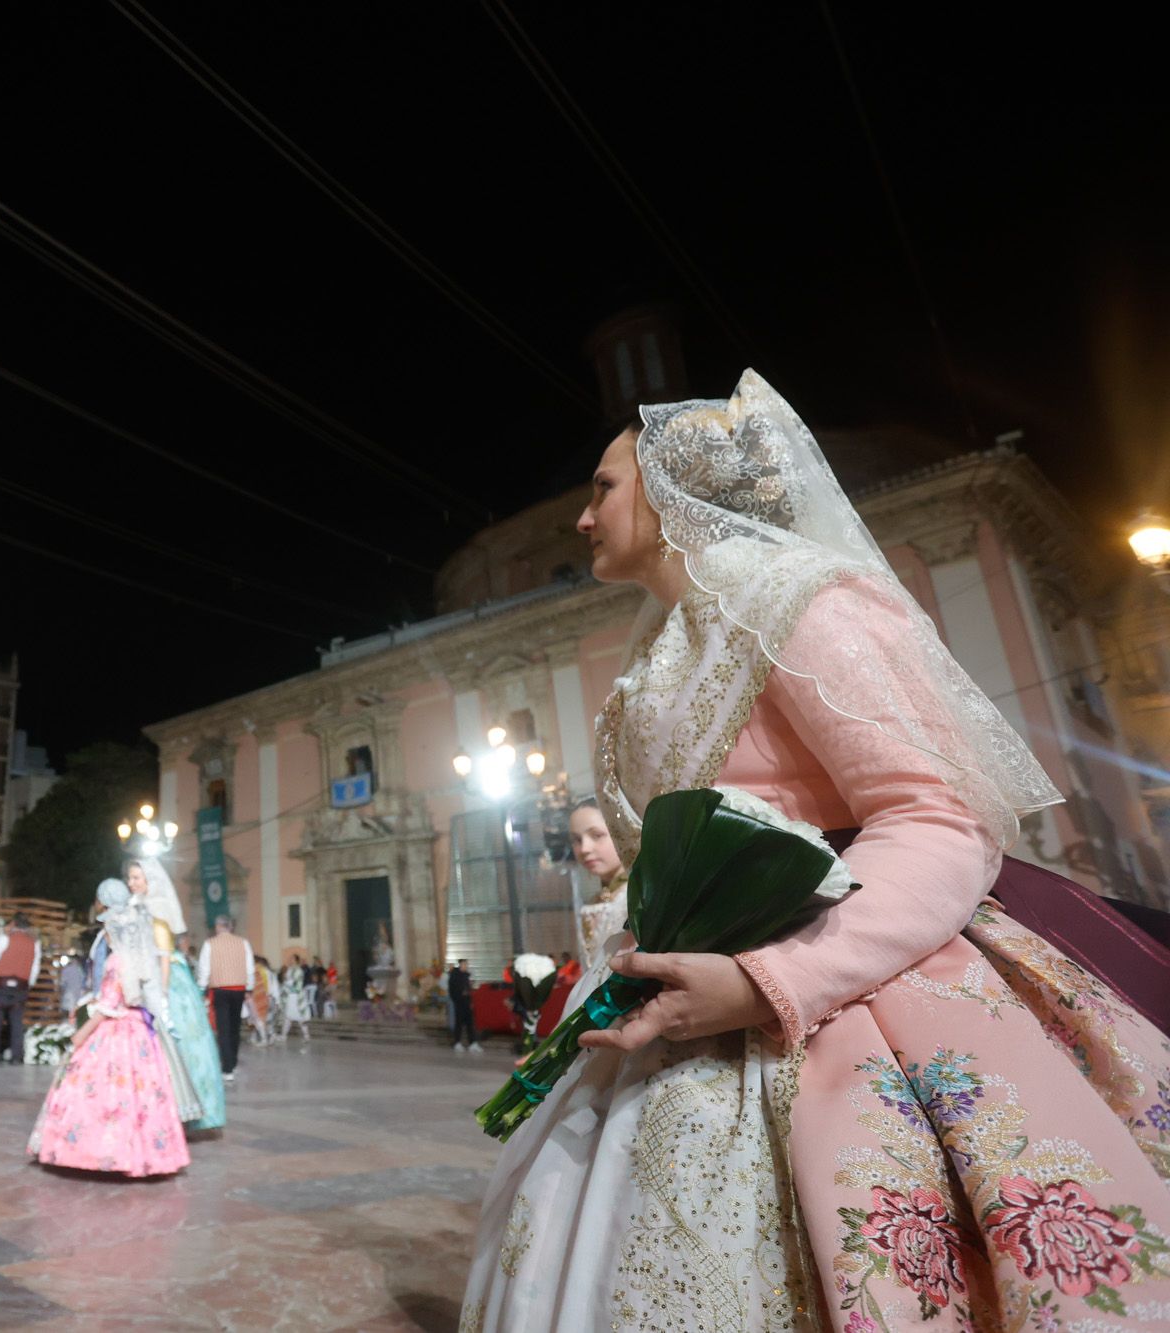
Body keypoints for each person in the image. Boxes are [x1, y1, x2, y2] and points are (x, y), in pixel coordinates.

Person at [461, 372, 1170, 1330]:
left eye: (603, 488)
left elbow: (939, 815)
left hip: (841, 982)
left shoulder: (803, 599)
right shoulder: (661, 651)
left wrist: (767, 979)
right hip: (677, 1007)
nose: (583, 519)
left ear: (678, 491)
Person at [27, 880, 189, 1177]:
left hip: (114, 1030)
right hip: (138, 1030)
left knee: (98, 1092)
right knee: (140, 1097)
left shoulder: (116, 960)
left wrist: (82, 1033)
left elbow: (108, 1005)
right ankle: (145, 1154)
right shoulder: (140, 959)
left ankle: (99, 1153)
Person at [130, 859, 226, 1129]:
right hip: (147, 975)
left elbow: (162, 955)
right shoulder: (137, 906)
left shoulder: (156, 909)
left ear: (150, 881)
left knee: (174, 1043)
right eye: (131, 878)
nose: (132, 883)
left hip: (165, 981)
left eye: (137, 877)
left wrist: (160, 995)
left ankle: (179, 1107)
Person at [567, 796, 630, 962]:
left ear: (622, 833)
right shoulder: (593, 901)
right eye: (576, 840)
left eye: (596, 835)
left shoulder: (637, 897)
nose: (584, 849)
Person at [0, 912, 40, 1064]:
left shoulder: (5, 939)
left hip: (1, 984)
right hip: (21, 986)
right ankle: (16, 1057)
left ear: (14, 924)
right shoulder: (34, 943)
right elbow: (35, 966)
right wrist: (29, 983)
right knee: (17, 1021)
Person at [196, 915, 254, 1081]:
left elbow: (204, 969)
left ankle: (227, 1068)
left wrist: (202, 988)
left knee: (223, 1028)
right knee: (235, 1027)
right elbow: (249, 967)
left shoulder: (209, 944)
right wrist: (249, 986)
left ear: (217, 926)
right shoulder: (243, 943)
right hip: (238, 989)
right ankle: (233, 1063)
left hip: (220, 989)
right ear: (230, 927)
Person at [275, 955, 313, 1045]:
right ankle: (283, 1036)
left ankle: (306, 1036)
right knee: (288, 1017)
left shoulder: (298, 970)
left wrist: (287, 986)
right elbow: (288, 981)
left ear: (296, 960)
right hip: (290, 997)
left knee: (300, 1017)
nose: (290, 960)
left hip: (296, 997)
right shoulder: (290, 969)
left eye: (292, 959)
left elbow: (297, 985)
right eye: (290, 959)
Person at [447, 958, 478, 1053]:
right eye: (464, 964)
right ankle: (457, 1043)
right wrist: (460, 994)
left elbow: (467, 988)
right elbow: (452, 990)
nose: (466, 966)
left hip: (467, 1002)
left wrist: (469, 988)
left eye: (467, 964)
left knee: (470, 1024)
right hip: (459, 1003)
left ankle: (472, 1043)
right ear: (460, 965)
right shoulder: (454, 976)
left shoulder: (466, 976)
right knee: (459, 1023)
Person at [247, 953, 274, 1046]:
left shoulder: (257, 970)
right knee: (257, 1019)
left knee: (258, 1019)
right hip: (262, 997)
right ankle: (257, 1038)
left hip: (257, 997)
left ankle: (264, 1039)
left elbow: (255, 984)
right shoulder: (262, 970)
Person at [57, 951, 88, 1017]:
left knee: (68, 1012)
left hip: (69, 993)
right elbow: (83, 981)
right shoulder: (79, 969)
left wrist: (60, 991)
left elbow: (62, 983)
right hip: (77, 994)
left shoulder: (66, 969)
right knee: (74, 1012)